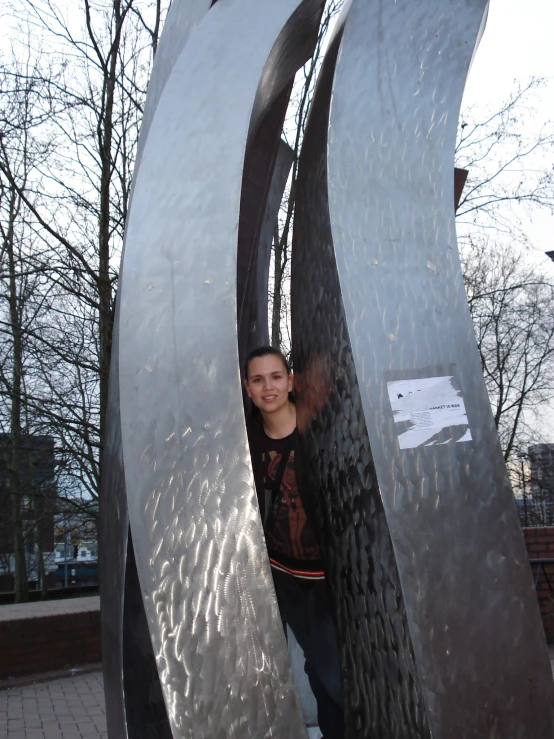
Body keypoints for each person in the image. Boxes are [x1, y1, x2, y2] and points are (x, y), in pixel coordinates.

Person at [244, 345, 344, 739]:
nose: (267, 387)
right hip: (283, 578)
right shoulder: (246, 443)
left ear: (290, 382)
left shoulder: (319, 431)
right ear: (248, 388)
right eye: (257, 379)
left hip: (326, 581)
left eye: (274, 377)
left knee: (333, 673)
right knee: (316, 670)